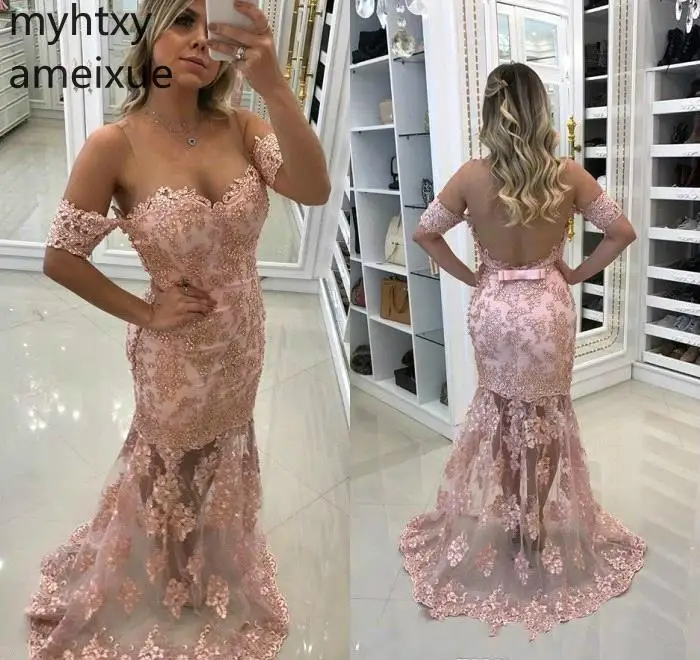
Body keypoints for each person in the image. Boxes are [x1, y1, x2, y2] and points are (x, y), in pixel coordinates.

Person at [26, 0, 330, 658]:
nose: (199, 41)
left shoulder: (244, 126)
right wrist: (146, 312)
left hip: (243, 340)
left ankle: (205, 556)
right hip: (173, 353)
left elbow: (314, 188)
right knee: (165, 460)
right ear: (151, 32)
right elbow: (60, 257)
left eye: (210, 29)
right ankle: (160, 566)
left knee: (225, 449)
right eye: (183, 21)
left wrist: (275, 86)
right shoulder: (115, 144)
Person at [399, 62, 645, 640]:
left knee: (500, 412)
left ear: (492, 112)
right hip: (546, 311)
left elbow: (425, 232)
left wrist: (473, 277)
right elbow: (622, 232)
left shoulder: (471, 176)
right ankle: (534, 522)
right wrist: (576, 272)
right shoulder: (568, 175)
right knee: (547, 415)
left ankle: (513, 522)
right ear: (540, 110)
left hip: (494, 310)